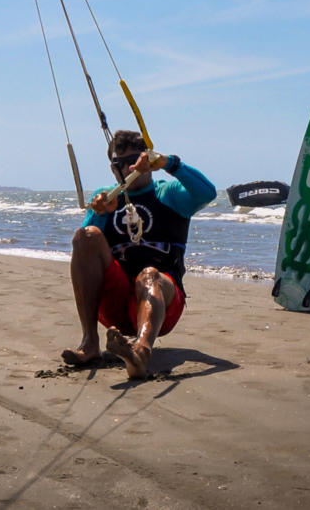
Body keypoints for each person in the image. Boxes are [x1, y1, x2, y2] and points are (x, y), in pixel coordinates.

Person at [61, 130, 217, 379]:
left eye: (133, 160)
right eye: (118, 163)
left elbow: (207, 193)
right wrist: (100, 213)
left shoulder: (169, 193)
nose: (126, 168)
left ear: (147, 163)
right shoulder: (105, 197)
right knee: (85, 236)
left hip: (161, 302)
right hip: (116, 303)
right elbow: (84, 248)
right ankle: (90, 343)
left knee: (149, 275)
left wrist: (169, 163)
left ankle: (141, 350)